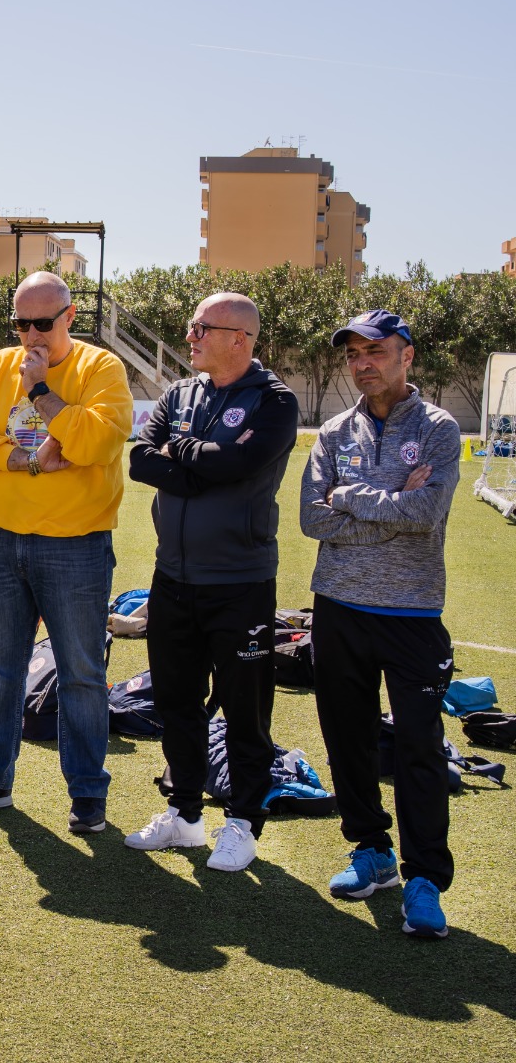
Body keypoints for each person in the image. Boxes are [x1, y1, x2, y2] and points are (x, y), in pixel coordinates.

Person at [0, 271, 133, 833]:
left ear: (70, 317)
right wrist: (27, 460)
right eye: (21, 323)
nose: (30, 336)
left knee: (81, 675)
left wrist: (43, 390)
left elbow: (94, 442)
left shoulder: (101, 369)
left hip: (75, 547)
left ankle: (88, 795)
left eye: (42, 324)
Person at [300, 309, 461, 939]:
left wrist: (354, 495)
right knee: (348, 736)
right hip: (338, 608)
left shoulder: (440, 429)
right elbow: (314, 519)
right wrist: (386, 501)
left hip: (412, 613)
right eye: (353, 354)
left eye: (376, 351)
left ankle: (424, 879)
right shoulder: (335, 431)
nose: (363, 363)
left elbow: (427, 511)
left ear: (407, 356)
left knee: (419, 748)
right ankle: (371, 851)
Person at [125, 293, 299, 871]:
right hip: (172, 577)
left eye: (201, 327)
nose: (190, 335)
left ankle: (244, 822)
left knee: (245, 709)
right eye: (192, 326)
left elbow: (233, 466)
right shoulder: (179, 393)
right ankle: (185, 816)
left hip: (240, 582)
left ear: (239, 339)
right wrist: (201, 461)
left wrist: (185, 456)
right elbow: (140, 461)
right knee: (176, 700)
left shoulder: (274, 402)